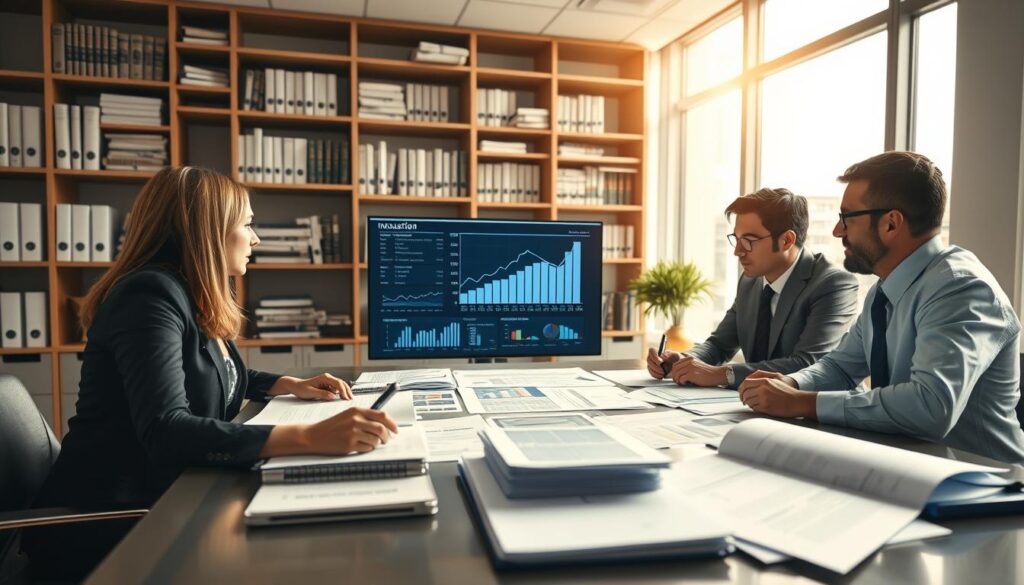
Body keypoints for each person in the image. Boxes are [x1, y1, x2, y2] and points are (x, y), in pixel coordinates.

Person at [21, 167, 398, 579]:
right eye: (248, 224)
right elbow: (166, 429)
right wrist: (308, 436)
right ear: (206, 230)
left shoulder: (188, 293)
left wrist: (284, 384)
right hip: (111, 522)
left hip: (166, 497)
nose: (255, 239)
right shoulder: (148, 296)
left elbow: (212, 373)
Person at [737, 151, 1024, 464]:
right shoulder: (883, 291)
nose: (837, 231)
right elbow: (841, 366)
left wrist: (804, 403)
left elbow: (930, 406)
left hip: (986, 485)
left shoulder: (960, 288)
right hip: (911, 467)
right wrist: (791, 383)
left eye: (847, 218)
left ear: (891, 223)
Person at [647, 188, 859, 389]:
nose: (738, 252)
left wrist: (722, 374)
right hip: (758, 407)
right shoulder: (750, 281)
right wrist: (685, 360)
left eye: (748, 241)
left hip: (820, 416)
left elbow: (807, 364)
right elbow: (720, 345)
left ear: (786, 240)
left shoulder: (833, 284)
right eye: (736, 240)